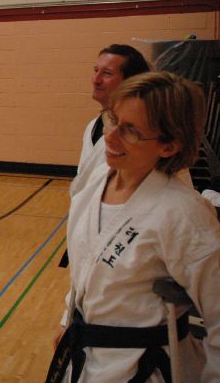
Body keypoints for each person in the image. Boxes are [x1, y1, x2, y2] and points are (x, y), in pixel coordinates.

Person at [48, 72, 219, 382]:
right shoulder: (95, 183)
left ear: (169, 146)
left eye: (131, 131)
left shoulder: (184, 214)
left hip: (141, 366)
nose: (110, 136)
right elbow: (86, 269)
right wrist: (68, 319)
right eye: (113, 120)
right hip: (85, 358)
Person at [70, 45, 150, 196]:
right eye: (96, 70)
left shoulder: (144, 133)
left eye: (107, 74)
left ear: (130, 82)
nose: (96, 80)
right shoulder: (92, 126)